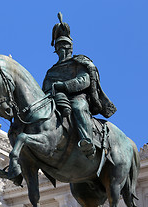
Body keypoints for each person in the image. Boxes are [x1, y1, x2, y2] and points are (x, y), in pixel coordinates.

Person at [42, 12, 116, 159]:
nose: (62, 48)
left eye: (65, 45)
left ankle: (86, 140)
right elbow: (45, 89)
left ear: (71, 48)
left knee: (78, 107)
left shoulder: (79, 62)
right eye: (59, 45)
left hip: (77, 97)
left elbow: (84, 80)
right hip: (55, 99)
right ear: (55, 49)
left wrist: (64, 85)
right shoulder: (51, 71)